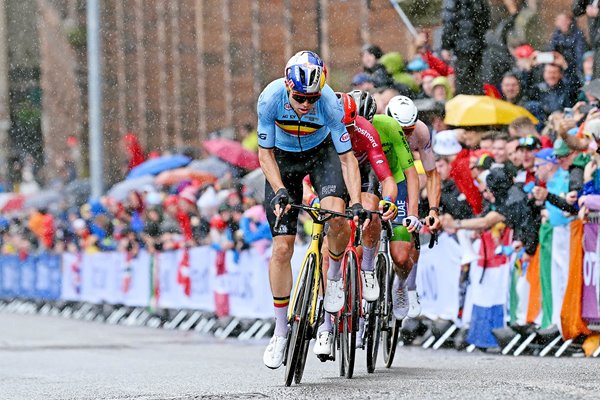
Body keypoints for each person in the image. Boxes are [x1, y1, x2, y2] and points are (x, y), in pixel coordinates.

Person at [257, 50, 367, 369]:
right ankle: (280, 330)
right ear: (288, 87)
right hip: (283, 160)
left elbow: (346, 159)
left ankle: (333, 276)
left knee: (337, 216)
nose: (306, 105)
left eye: (312, 98)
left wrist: (357, 202)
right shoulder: (270, 99)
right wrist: (279, 190)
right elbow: (264, 155)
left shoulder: (330, 103)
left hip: (322, 156)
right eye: (300, 98)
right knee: (281, 248)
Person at [306, 93, 400, 354]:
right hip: (333, 173)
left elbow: (386, 177)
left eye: (349, 127)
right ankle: (326, 326)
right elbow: (304, 176)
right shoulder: (319, 131)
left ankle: (368, 268)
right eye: (339, 127)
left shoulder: (366, 131)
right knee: (327, 252)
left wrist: (389, 200)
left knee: (371, 208)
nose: (344, 133)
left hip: (363, 174)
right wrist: (313, 198)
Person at [379, 94, 442, 318]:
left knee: (404, 249)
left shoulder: (421, 132)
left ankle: (403, 284)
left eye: (409, 130)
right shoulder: (377, 127)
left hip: (405, 180)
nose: (405, 136)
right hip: (380, 176)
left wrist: (434, 209)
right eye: (401, 130)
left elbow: (432, 174)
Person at [441, 0, 490, 95]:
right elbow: (486, 20)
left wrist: (446, 46)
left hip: (462, 46)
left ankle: (465, 105)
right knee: (477, 80)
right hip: (478, 45)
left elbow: (449, 21)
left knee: (464, 81)